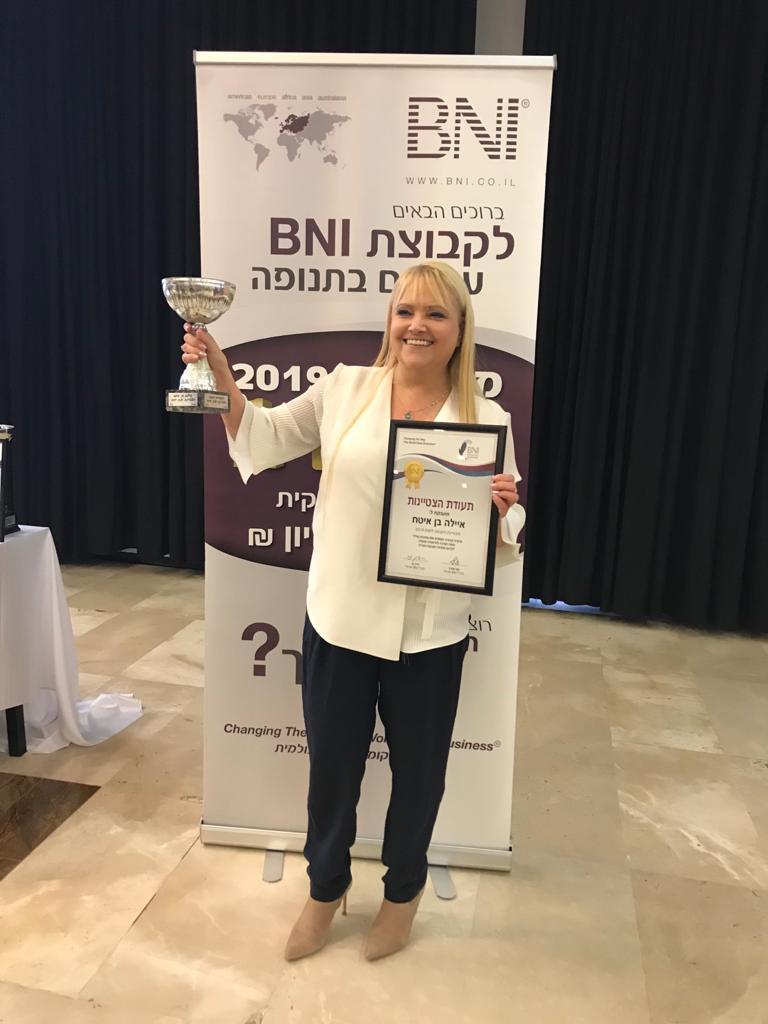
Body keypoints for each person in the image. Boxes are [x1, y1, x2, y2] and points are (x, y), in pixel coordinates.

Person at [181, 261, 523, 962]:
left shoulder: (488, 420)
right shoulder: (344, 388)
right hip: (340, 620)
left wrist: (499, 513)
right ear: (390, 322)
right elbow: (266, 437)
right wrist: (221, 376)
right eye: (405, 311)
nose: (417, 326)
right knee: (333, 770)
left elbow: (507, 532)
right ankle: (325, 888)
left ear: (460, 329)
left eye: (435, 314)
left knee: (420, 774)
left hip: (430, 632)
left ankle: (402, 895)